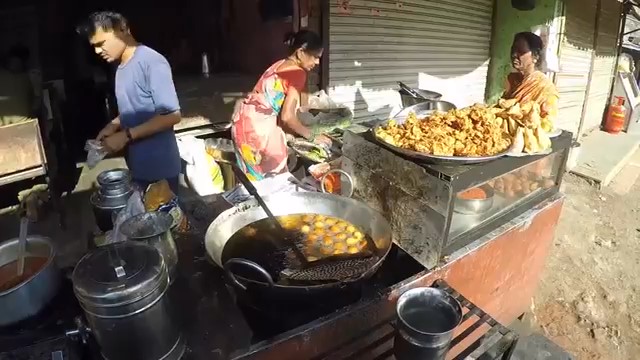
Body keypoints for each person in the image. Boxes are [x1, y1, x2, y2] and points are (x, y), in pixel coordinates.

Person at [77, 11, 182, 194]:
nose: (97, 51)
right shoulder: (120, 66)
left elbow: (171, 115)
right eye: (93, 46)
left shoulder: (152, 62)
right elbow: (136, 106)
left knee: (168, 220)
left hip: (160, 169)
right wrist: (113, 125)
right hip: (139, 166)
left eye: (101, 44)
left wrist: (125, 136)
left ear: (123, 29)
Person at [232, 30, 331, 181]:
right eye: (316, 57)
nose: (317, 62)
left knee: (254, 183)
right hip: (256, 131)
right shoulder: (297, 72)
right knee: (271, 183)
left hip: (243, 124)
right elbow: (287, 116)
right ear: (300, 52)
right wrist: (312, 136)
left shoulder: (279, 64)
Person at [504, 32, 559, 123]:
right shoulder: (512, 79)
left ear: (535, 55)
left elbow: (548, 124)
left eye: (520, 51)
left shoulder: (545, 88)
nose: (514, 54)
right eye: (513, 50)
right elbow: (503, 107)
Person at [0, 45, 34, 125]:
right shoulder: (2, 75)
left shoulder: (27, 78)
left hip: (22, 124)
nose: (15, 64)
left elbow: (34, 103)